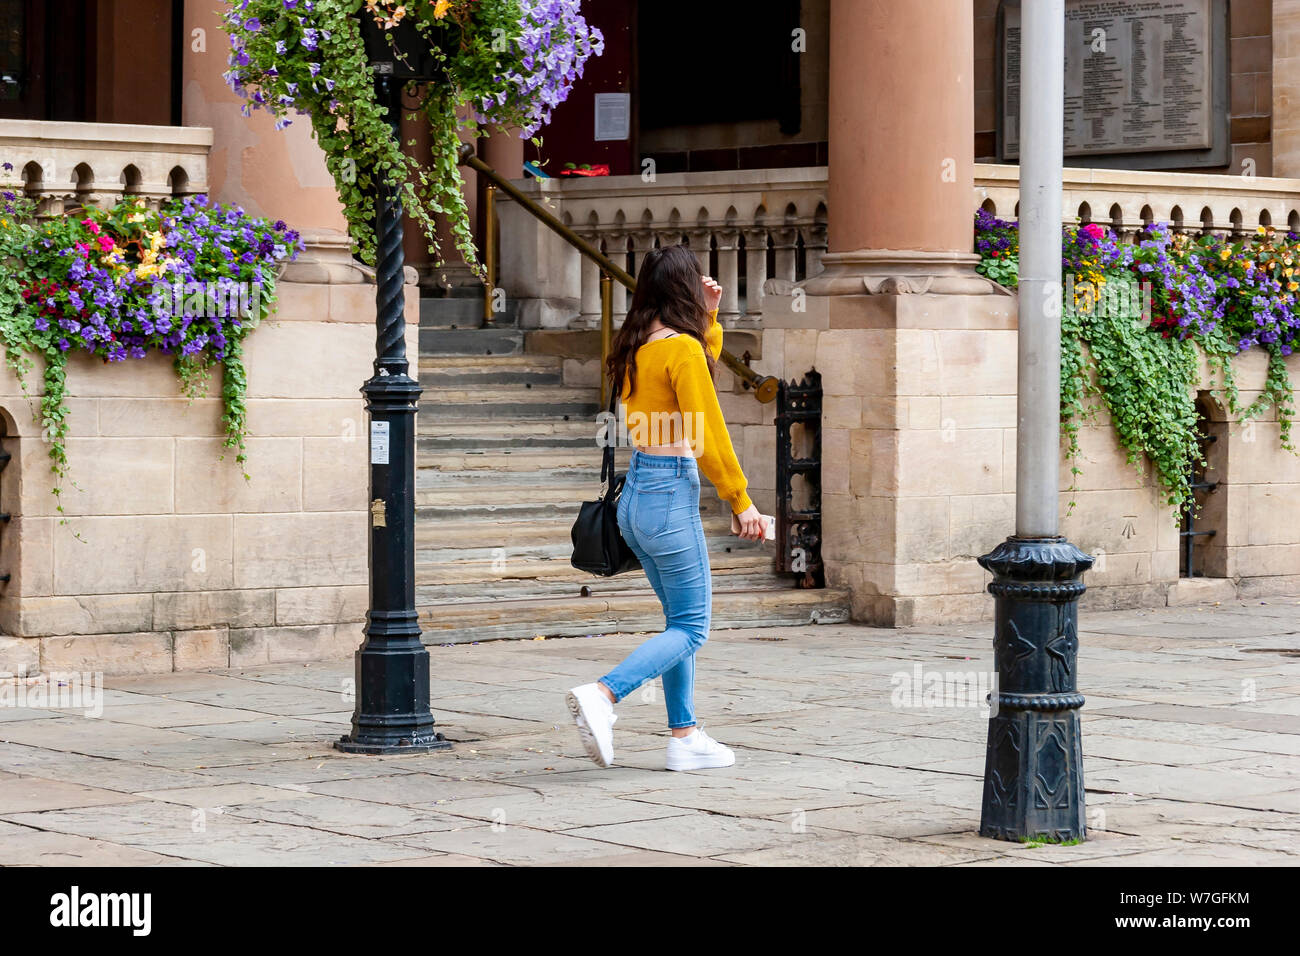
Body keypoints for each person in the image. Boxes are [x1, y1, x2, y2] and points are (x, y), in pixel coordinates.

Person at [566, 244, 768, 771]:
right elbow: (707, 427)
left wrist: (710, 318)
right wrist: (740, 498)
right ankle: (605, 695)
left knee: (678, 623)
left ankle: (684, 736)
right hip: (669, 495)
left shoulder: (637, 345)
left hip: (637, 494)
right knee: (694, 627)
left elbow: (696, 368)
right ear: (683, 288)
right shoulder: (679, 348)